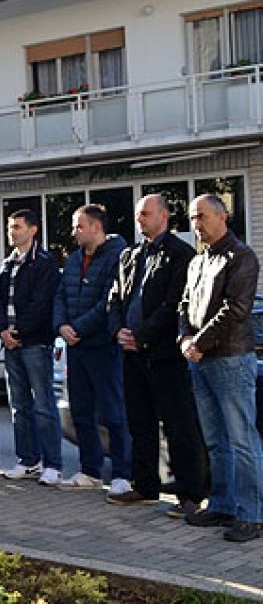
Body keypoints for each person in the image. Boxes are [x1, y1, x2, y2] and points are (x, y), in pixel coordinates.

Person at [107, 194, 204, 514]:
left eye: (145, 214)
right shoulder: (130, 255)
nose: (139, 220)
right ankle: (144, 485)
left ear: (164, 216)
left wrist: (142, 337)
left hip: (165, 356)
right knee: (139, 423)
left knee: (179, 426)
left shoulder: (181, 254)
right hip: (132, 357)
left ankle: (190, 494)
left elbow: (175, 304)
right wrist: (119, 330)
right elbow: (115, 297)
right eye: (138, 215)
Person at [179, 193, 263, 542]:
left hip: (229, 359)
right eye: (192, 218)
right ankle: (223, 504)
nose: (196, 224)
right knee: (215, 442)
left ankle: (251, 515)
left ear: (222, 216)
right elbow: (184, 304)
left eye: (201, 217)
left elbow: (236, 309)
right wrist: (186, 338)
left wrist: (199, 343)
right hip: (200, 361)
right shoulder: (199, 260)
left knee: (241, 440)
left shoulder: (240, 257)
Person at [53, 204, 132, 495]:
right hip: (76, 348)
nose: (74, 232)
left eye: (79, 226)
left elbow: (109, 301)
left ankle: (123, 474)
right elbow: (61, 294)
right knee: (81, 411)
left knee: (113, 413)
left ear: (96, 227)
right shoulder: (74, 260)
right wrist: (62, 325)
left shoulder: (117, 257)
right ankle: (90, 470)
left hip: (102, 347)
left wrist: (79, 328)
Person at [0, 209, 64, 485]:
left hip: (35, 343)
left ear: (33, 230)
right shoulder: (7, 264)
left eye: (18, 227)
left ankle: (53, 465)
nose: (12, 232)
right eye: (10, 227)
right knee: (19, 406)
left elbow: (42, 304)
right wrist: (2, 331)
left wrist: (18, 331)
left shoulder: (44, 263)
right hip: (10, 345)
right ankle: (28, 460)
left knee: (44, 405)